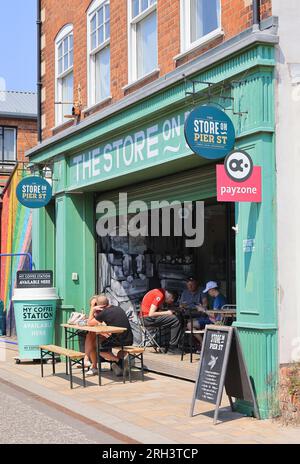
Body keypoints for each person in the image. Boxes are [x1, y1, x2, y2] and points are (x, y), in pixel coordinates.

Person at [85, 295, 133, 377]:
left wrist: (92, 309)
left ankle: (119, 361)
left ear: (100, 306)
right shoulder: (118, 308)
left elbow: (89, 323)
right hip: (129, 339)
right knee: (95, 338)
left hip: (119, 339)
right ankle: (118, 367)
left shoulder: (104, 313)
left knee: (100, 349)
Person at [141, 288, 181, 355]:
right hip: (147, 319)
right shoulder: (160, 295)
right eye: (171, 302)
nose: (169, 303)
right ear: (171, 298)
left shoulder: (160, 292)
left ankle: (165, 345)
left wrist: (167, 312)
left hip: (145, 318)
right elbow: (151, 313)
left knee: (171, 319)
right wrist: (167, 312)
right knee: (176, 319)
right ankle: (172, 348)